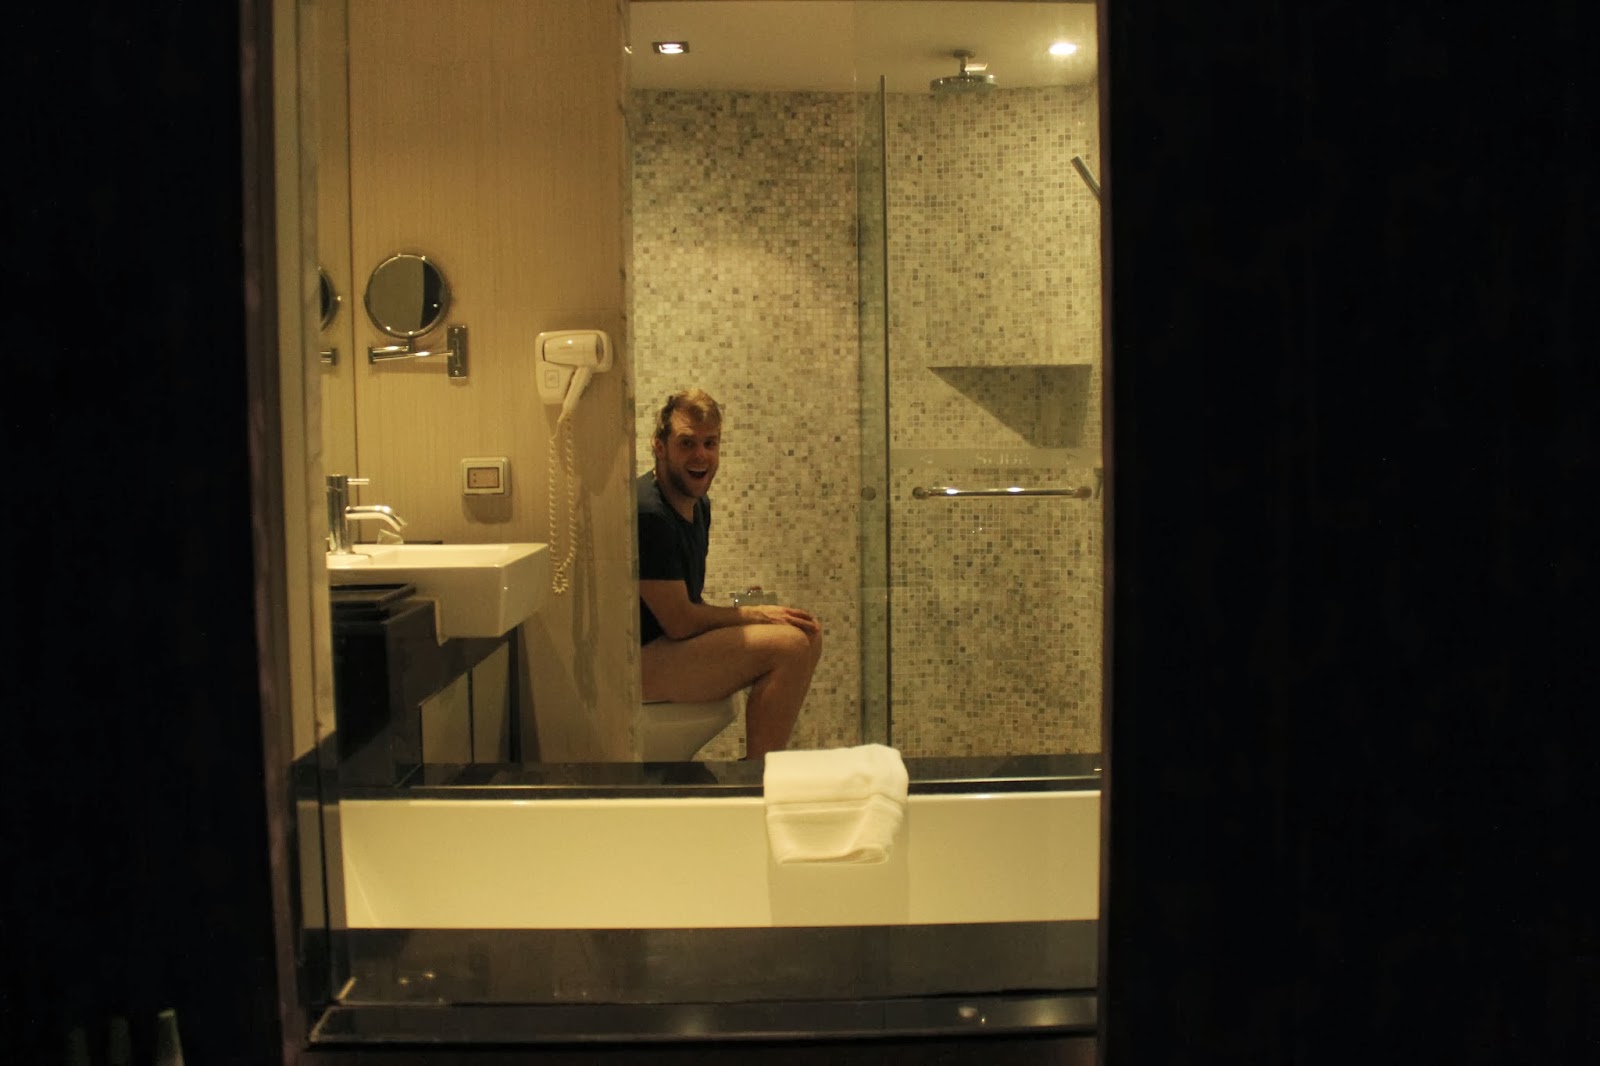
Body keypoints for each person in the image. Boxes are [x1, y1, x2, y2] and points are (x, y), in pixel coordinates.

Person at [637, 389, 823, 760]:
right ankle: (758, 775)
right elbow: (679, 622)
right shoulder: (649, 514)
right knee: (789, 648)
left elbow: (685, 605)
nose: (701, 455)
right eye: (687, 443)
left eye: (710, 443)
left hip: (664, 646)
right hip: (635, 663)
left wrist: (751, 617)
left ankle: (759, 768)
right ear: (659, 447)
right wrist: (753, 615)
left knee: (807, 632)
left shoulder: (697, 504)